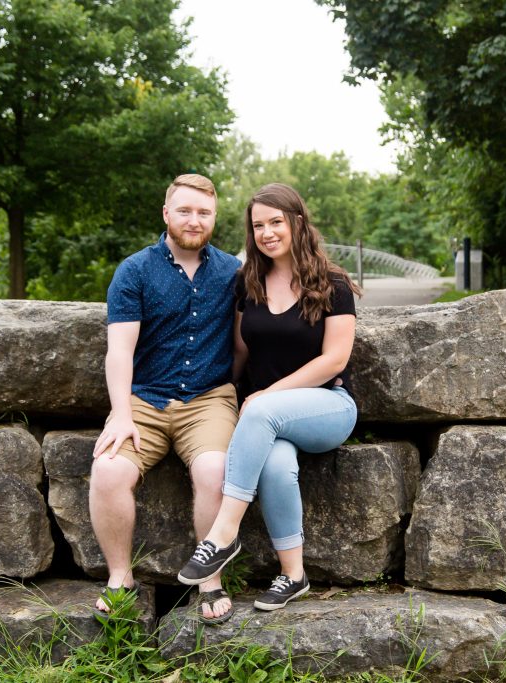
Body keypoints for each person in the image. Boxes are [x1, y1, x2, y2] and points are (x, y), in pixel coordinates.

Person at [177, 182, 360, 611]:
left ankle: (222, 535)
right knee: (276, 467)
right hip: (269, 420)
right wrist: (216, 394)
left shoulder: (332, 283)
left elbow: (335, 359)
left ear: (297, 222)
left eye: (276, 222)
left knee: (260, 411)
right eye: (258, 225)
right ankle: (293, 575)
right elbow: (240, 352)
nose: (267, 232)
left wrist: (266, 395)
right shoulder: (249, 282)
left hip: (327, 407)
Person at [90, 173, 240, 624]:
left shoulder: (233, 271)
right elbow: (120, 351)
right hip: (145, 399)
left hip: (208, 399)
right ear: (166, 214)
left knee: (215, 470)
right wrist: (120, 414)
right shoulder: (134, 271)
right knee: (109, 469)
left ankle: (209, 579)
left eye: (204, 213)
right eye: (185, 211)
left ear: (214, 217)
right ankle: (121, 578)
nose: (194, 220)